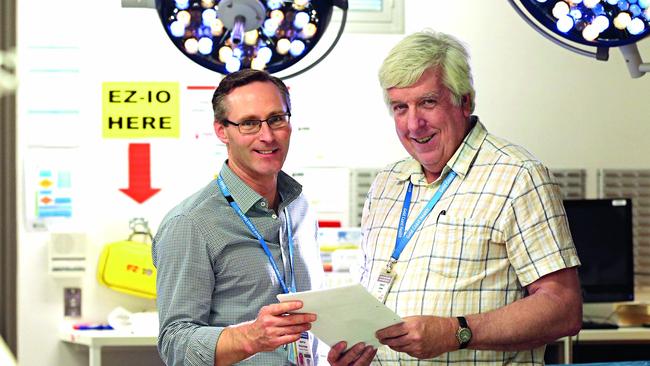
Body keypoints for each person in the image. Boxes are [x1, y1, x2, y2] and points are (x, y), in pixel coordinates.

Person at [347, 30, 582, 364]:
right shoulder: (387, 183)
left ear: (465, 101)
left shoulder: (517, 176)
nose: (414, 124)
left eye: (428, 102)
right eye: (401, 107)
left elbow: (563, 308)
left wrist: (457, 332)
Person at [153, 69, 326, 366]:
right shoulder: (190, 223)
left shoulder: (300, 208)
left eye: (276, 119)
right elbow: (174, 343)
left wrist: (337, 350)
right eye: (249, 123)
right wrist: (249, 337)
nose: (267, 135)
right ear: (222, 130)